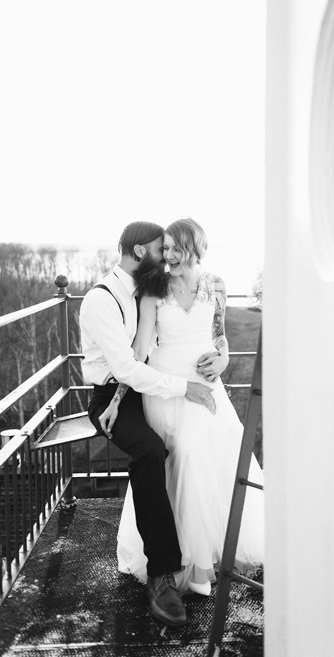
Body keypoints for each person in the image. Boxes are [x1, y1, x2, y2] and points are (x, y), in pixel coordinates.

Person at [99, 217, 264, 597]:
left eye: (175, 248)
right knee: (185, 454)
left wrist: (222, 361)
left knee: (217, 454)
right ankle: (188, 563)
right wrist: (117, 400)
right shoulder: (153, 289)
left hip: (207, 386)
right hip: (167, 389)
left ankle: (209, 554)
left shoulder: (216, 287)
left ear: (194, 249)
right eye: (165, 248)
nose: (168, 255)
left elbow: (220, 338)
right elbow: (139, 352)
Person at [79, 220, 216, 627]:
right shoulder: (101, 300)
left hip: (144, 390)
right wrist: (182, 388)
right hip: (112, 397)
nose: (167, 258)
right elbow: (125, 366)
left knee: (183, 447)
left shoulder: (147, 289)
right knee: (150, 450)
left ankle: (200, 543)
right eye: (161, 250)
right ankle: (161, 575)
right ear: (141, 252)